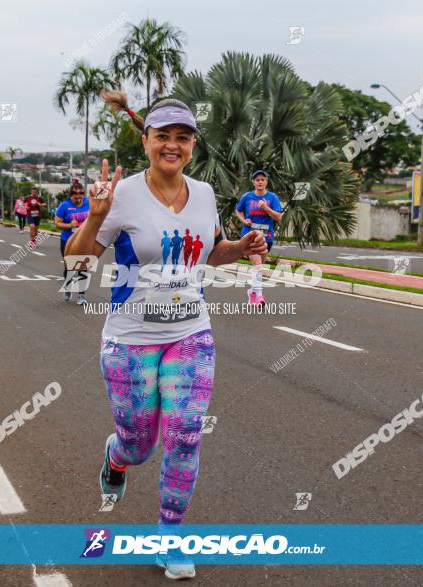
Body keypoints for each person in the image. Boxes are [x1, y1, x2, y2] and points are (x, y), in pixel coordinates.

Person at [66, 92, 267, 580]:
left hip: (190, 335)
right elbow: (78, 259)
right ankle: (116, 456)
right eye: (163, 137)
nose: (172, 145)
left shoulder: (204, 194)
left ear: (193, 146)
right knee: (140, 444)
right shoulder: (122, 196)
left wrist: (240, 247)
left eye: (183, 137)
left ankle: (169, 536)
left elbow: (210, 253)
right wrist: (95, 214)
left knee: (184, 436)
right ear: (147, 142)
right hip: (130, 339)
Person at [235, 170, 283, 305]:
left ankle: (252, 293)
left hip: (267, 237)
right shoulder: (247, 196)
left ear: (266, 182)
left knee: (259, 266)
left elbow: (278, 217)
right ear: (253, 182)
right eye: (257, 180)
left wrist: (266, 208)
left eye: (262, 179)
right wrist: (244, 220)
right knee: (257, 264)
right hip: (250, 235)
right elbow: (238, 210)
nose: (260, 182)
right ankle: (259, 296)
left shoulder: (272, 198)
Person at [55, 181, 90, 303]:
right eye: (75, 198)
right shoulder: (64, 206)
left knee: (83, 268)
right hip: (68, 240)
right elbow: (57, 223)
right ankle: (68, 288)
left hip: (84, 240)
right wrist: (69, 225)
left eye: (80, 198)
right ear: (71, 196)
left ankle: (81, 295)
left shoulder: (88, 203)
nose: (78, 201)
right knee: (69, 268)